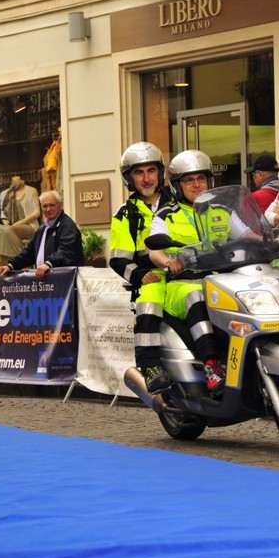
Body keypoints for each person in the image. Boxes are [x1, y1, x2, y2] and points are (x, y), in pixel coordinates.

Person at [148, 149, 226, 397]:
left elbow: (248, 233)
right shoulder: (166, 214)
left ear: (209, 180)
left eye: (200, 178)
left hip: (221, 279)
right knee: (197, 296)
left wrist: (273, 240)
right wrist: (167, 262)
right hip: (182, 283)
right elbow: (154, 251)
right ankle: (212, 366)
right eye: (188, 180)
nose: (196, 184)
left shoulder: (222, 210)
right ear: (178, 185)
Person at [109, 141, 172, 395]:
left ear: (160, 172)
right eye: (139, 172)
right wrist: (139, 274)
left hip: (187, 273)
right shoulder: (125, 214)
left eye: (151, 171)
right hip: (152, 277)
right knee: (148, 307)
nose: (146, 178)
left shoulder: (178, 203)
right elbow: (118, 259)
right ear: (129, 178)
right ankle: (150, 367)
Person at [0, 190, 83, 278]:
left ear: (60, 205)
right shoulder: (43, 226)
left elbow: (66, 251)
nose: (48, 209)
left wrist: (49, 264)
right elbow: (30, 251)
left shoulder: (67, 226)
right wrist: (11, 266)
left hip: (64, 280)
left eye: (52, 205)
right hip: (46, 280)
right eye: (44, 206)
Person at [0, 175, 40, 270]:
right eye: (13, 179)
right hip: (11, 226)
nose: (15, 181)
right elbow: (3, 213)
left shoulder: (31, 191)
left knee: (9, 230)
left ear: (22, 180)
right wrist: (4, 220)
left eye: (18, 179)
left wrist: (19, 223)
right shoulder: (5, 194)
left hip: (29, 227)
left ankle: (22, 261)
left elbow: (37, 212)